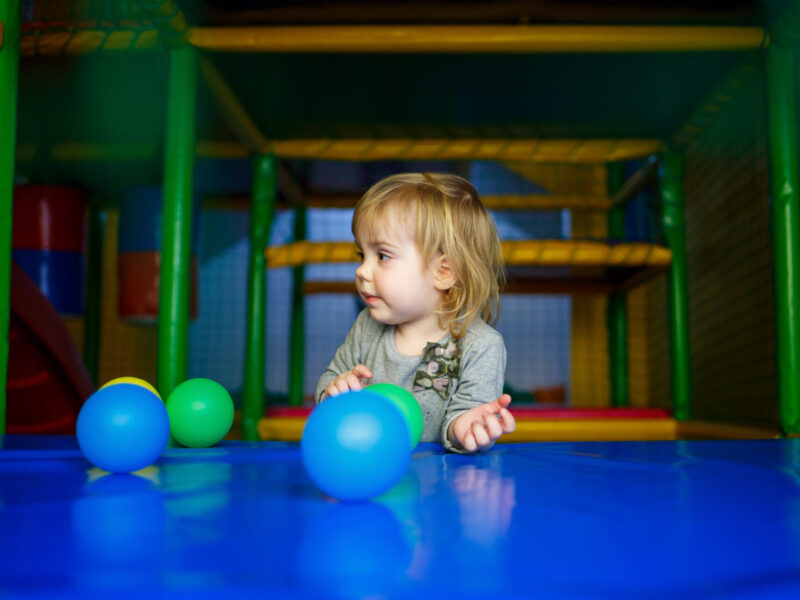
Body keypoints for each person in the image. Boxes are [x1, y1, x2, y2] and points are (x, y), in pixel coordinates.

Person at [315, 172, 516, 453]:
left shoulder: (480, 345)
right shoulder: (366, 326)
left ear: (444, 272)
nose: (361, 271)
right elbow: (330, 381)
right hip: (372, 469)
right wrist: (335, 392)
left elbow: (467, 415)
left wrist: (467, 427)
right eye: (363, 255)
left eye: (382, 255)